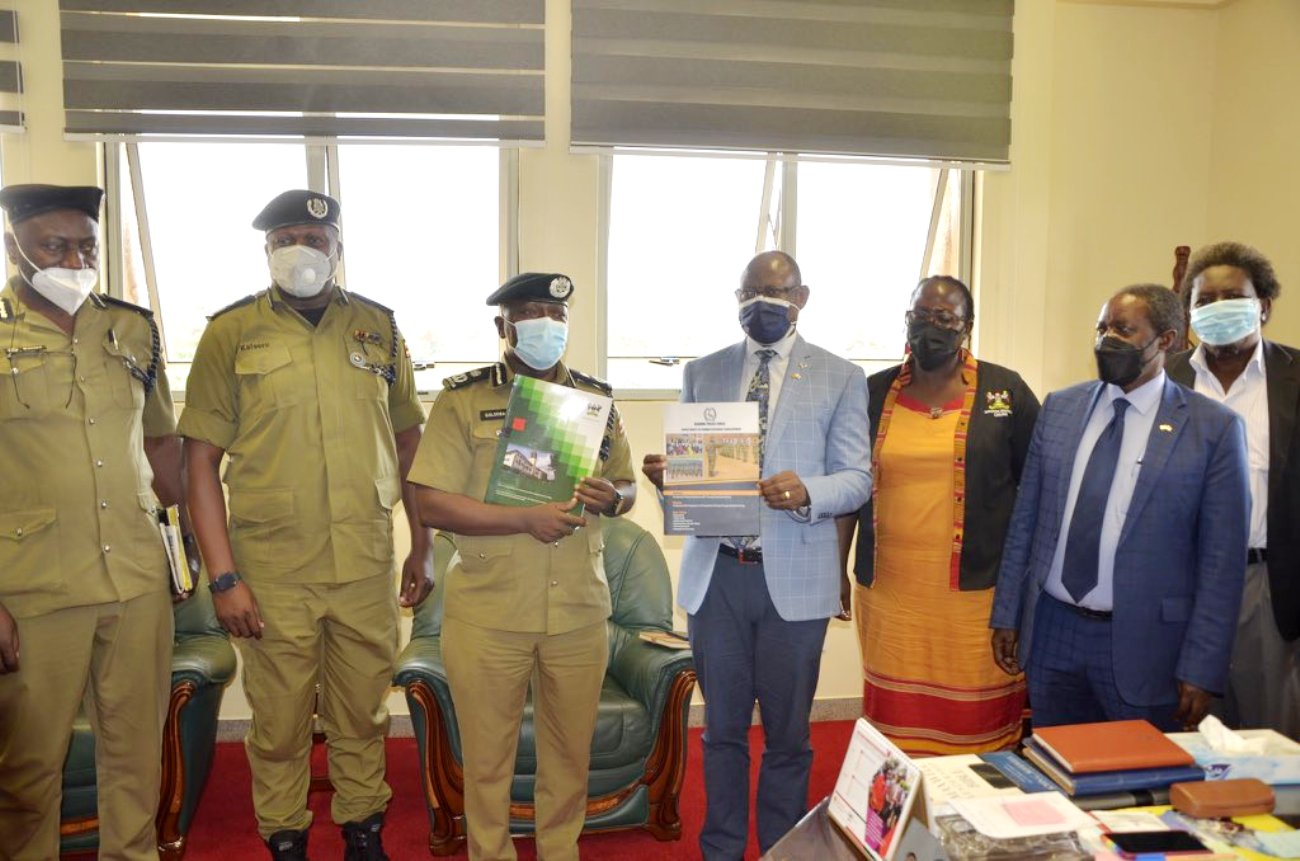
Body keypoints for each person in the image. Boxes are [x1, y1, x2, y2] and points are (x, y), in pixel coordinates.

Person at [181, 190, 431, 861]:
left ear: (338, 248)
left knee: (362, 715)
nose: (302, 250)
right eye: (287, 237)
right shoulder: (229, 332)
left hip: (364, 561)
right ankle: (286, 838)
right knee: (281, 721)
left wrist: (423, 546)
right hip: (272, 571)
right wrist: (223, 577)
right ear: (266, 250)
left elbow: (410, 445)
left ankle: (363, 832)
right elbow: (198, 460)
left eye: (315, 238)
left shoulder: (380, 328)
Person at [643, 251, 871, 858]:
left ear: (801, 297)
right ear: (735, 297)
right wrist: (671, 482)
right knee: (721, 732)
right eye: (750, 293)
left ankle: (780, 847)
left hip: (794, 580)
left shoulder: (841, 376)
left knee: (790, 736)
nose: (761, 303)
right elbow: (695, 490)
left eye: (775, 292)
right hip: (717, 575)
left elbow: (858, 479)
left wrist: (808, 492)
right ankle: (720, 849)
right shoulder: (704, 372)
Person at [409, 272, 635, 861]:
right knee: (487, 760)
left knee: (568, 754)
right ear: (502, 326)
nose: (546, 326)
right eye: (531, 314)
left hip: (580, 610)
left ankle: (560, 851)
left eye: (556, 316)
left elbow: (627, 486)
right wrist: (522, 521)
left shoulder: (596, 400)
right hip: (489, 611)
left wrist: (612, 499)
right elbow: (430, 501)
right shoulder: (462, 399)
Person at [0, 184, 187, 859]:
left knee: (137, 759)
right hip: (32, 586)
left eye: (87, 246)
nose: (75, 259)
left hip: (136, 577)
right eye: (56, 245)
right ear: (13, 245)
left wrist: (182, 553)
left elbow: (162, 445)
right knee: (27, 770)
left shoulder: (133, 327)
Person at [990, 284, 1250, 730]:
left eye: (1124, 330)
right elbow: (1027, 521)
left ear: (1166, 340)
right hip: (1054, 631)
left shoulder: (1215, 429)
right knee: (1059, 776)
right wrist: (1007, 613)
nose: (1106, 340)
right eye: (1101, 327)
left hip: (1146, 644)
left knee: (1140, 786)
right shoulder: (1060, 408)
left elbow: (1222, 564)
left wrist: (1202, 667)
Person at [847, 276, 1039, 756]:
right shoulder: (872, 392)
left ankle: (979, 822)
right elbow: (849, 487)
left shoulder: (1006, 392)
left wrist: (1023, 591)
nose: (931, 327)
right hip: (892, 593)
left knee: (978, 729)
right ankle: (905, 820)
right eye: (921, 316)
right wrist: (834, 568)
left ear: (966, 328)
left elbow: (1037, 491)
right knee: (899, 732)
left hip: (978, 596)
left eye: (945, 319)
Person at [1167, 241, 1300, 738]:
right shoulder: (1163, 379)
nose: (1219, 308)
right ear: (1188, 312)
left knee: (1269, 741)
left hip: (1266, 586)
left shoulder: (1295, 376)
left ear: (1263, 306)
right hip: (1177, 586)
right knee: (1182, 735)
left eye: (1234, 296)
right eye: (1205, 300)